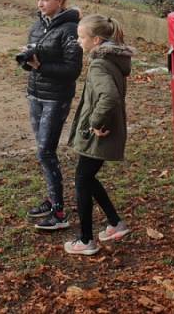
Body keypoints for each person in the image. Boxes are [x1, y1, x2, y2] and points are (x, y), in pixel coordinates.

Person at [64, 14, 133, 255]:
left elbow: (110, 97)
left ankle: (86, 240)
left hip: (100, 132)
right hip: (106, 130)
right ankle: (115, 224)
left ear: (95, 40)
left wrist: (95, 122)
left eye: (81, 37)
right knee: (87, 177)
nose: (78, 41)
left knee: (83, 179)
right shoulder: (110, 59)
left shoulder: (99, 64)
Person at [21, 0, 83, 230]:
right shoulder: (38, 26)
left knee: (45, 151)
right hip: (35, 94)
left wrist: (40, 66)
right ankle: (52, 199)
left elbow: (72, 70)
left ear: (59, 1)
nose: (40, 4)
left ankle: (59, 213)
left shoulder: (70, 30)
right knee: (44, 151)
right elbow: (35, 60)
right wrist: (27, 60)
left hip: (56, 98)